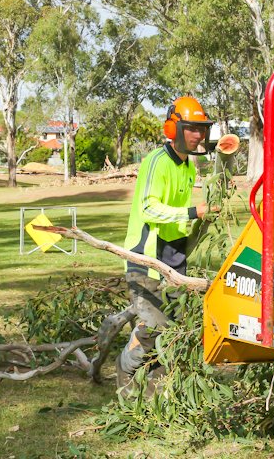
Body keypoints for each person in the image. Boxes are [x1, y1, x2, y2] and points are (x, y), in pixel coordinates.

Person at [116, 96, 216, 394]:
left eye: (202, 129)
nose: (198, 135)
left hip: (174, 257)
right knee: (152, 329)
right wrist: (192, 212)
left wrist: (203, 217)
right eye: (191, 128)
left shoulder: (188, 167)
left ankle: (156, 397)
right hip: (145, 258)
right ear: (173, 129)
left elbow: (180, 213)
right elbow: (149, 208)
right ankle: (125, 370)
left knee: (170, 331)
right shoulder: (155, 162)